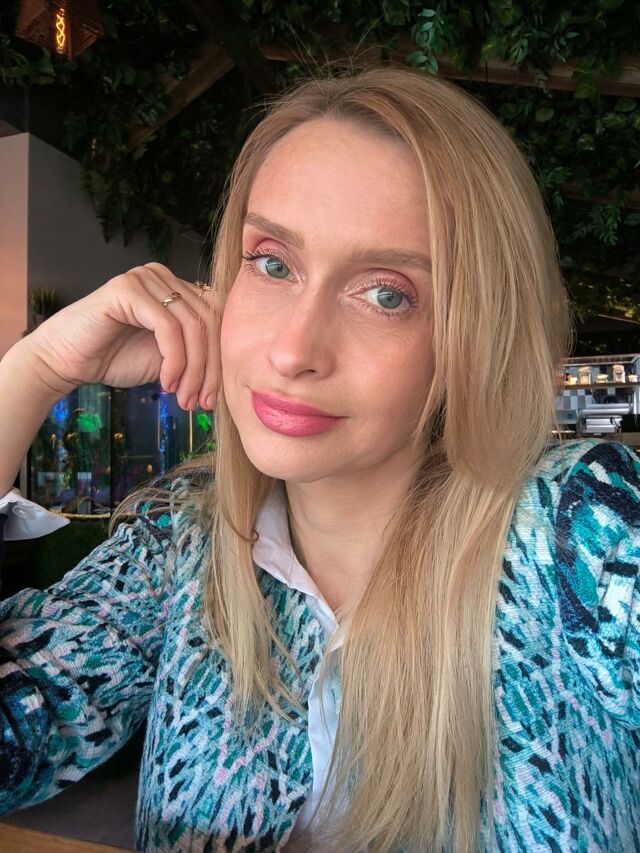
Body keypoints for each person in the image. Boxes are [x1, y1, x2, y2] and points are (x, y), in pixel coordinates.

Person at [0, 63, 638, 853]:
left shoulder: (580, 533)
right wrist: (31, 372)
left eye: (387, 293)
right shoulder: (183, 540)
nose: (294, 349)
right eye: (273, 263)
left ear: (472, 337)